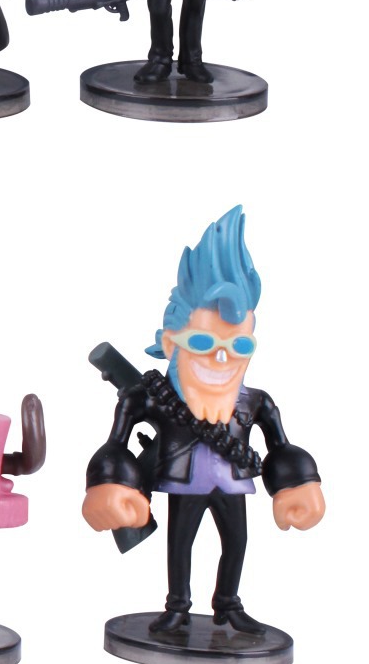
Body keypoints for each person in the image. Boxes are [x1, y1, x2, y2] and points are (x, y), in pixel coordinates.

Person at [83, 207, 325, 634]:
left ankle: (228, 604)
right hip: (186, 483)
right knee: (181, 544)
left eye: (239, 345)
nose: (221, 357)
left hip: (232, 483)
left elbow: (280, 446)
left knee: (237, 542)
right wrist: (109, 483)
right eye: (202, 341)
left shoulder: (255, 403)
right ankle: (177, 606)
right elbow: (116, 442)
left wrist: (298, 483)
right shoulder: (151, 398)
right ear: (170, 343)